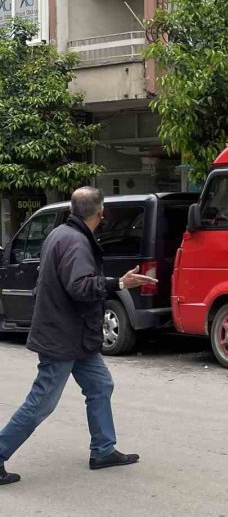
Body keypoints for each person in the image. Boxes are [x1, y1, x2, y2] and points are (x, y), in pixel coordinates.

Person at [0, 187, 158, 486]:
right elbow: (80, 287)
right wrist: (119, 283)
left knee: (100, 385)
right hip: (62, 337)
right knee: (42, 402)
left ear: (73, 209)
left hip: (74, 334)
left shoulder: (60, 234)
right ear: (101, 212)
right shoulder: (75, 242)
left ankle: (103, 449)